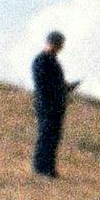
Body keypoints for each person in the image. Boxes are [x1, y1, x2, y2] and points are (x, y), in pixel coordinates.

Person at [30, 31, 76, 177]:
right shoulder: (42, 60)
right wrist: (60, 88)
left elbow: (54, 82)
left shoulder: (53, 60)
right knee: (46, 136)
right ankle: (41, 168)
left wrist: (65, 87)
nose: (61, 47)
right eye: (60, 44)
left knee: (54, 137)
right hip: (46, 105)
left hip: (56, 105)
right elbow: (43, 84)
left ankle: (49, 167)